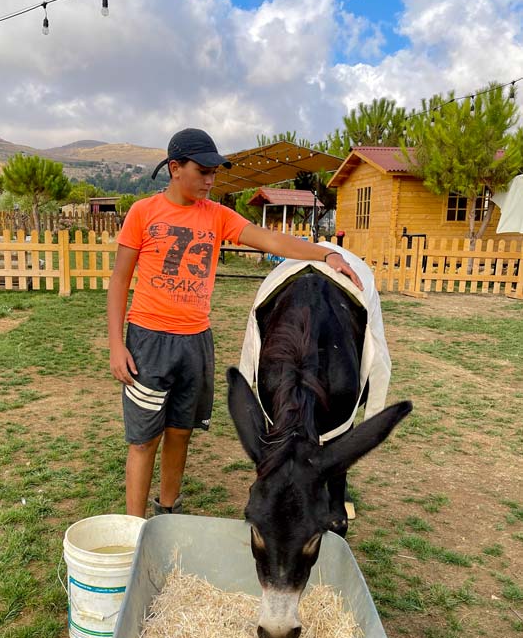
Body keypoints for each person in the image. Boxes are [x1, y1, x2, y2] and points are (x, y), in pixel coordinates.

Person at [107, 128, 363, 518]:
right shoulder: (143, 213)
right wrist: (116, 343)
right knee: (144, 440)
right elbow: (120, 281)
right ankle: (133, 526)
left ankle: (168, 511)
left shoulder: (217, 216)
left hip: (196, 342)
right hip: (148, 342)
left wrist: (325, 255)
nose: (211, 180)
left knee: (180, 433)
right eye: (203, 171)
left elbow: (270, 240)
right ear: (175, 168)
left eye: (215, 172)